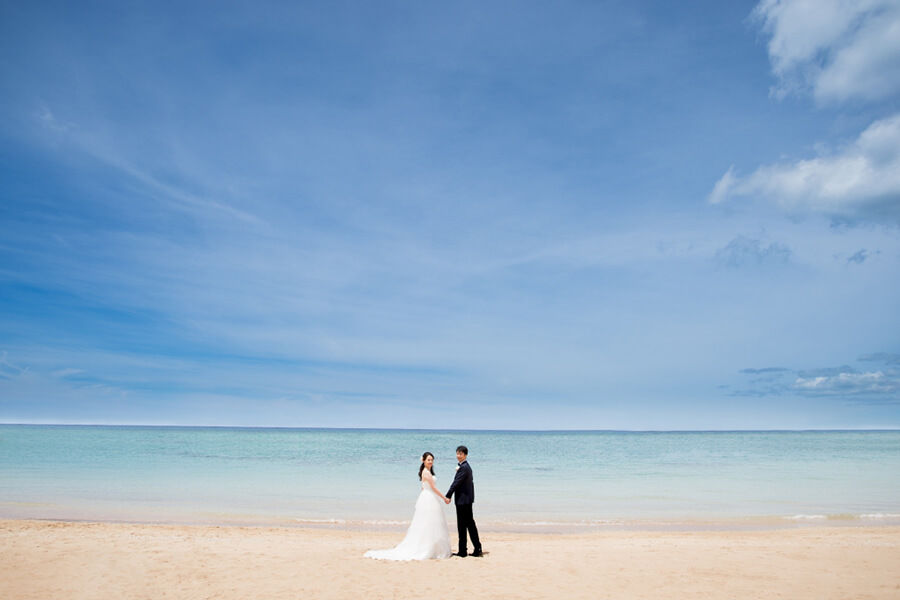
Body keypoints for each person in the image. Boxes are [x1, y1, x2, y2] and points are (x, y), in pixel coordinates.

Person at [364, 452, 452, 560]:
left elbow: (423, 487)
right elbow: (433, 488)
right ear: (424, 461)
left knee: (431, 523)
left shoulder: (427, 472)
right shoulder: (426, 473)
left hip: (427, 496)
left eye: (432, 460)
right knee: (429, 523)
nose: (430, 461)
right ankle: (429, 547)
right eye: (428, 460)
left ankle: (433, 547)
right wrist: (444, 498)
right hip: (429, 497)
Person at [444, 445, 482, 557]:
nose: (458, 456)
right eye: (457, 453)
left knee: (466, 525)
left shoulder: (464, 467)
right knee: (466, 525)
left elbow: (456, 483)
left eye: (460, 454)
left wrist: (448, 495)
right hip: (465, 500)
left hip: (463, 501)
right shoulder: (465, 467)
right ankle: (464, 550)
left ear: (465, 455)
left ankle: (473, 549)